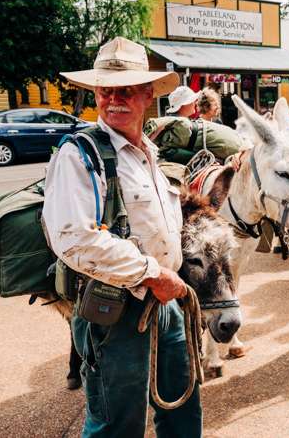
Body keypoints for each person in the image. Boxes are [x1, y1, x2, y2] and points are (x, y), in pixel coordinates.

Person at [43, 37, 202, 437]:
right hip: (114, 310)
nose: (114, 99)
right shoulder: (79, 154)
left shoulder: (147, 151)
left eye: (125, 89)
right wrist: (153, 274)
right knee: (116, 426)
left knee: (182, 406)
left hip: (164, 302)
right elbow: (75, 239)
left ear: (148, 94)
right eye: (106, 90)